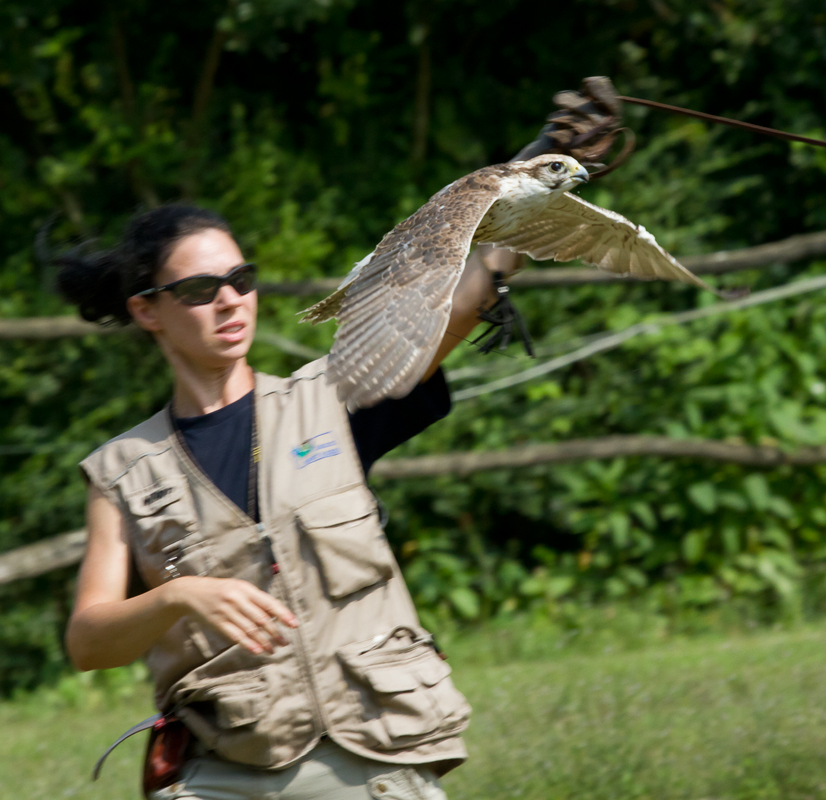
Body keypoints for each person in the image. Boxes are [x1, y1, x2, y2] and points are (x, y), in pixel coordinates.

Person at [58, 198, 530, 797]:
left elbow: (457, 299)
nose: (230, 300)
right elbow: (88, 642)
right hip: (225, 774)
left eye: (241, 280)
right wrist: (177, 596)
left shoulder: (332, 397)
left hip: (370, 761)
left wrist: (534, 170)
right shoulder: (123, 472)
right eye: (201, 289)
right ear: (147, 309)